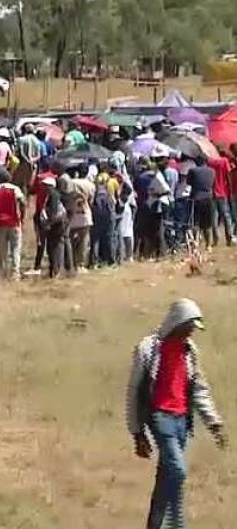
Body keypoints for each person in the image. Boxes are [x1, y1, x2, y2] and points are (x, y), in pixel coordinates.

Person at [125, 298, 227, 529]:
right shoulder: (148, 349)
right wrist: (137, 433)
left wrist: (214, 423)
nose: (191, 332)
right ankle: (178, 525)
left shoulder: (190, 351)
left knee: (167, 479)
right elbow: (133, 391)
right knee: (178, 471)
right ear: (177, 322)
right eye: (189, 326)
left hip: (182, 420)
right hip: (160, 417)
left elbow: (199, 388)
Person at [0, 170, 26, 280]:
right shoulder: (15, 189)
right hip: (14, 222)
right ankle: (15, 273)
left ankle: (3, 272)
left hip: (0, 223)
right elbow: (22, 202)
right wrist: (22, 217)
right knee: (16, 249)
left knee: (2, 250)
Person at [186, 156, 215, 251]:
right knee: (208, 223)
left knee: (195, 222)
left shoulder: (193, 171)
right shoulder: (212, 171)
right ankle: (208, 245)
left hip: (196, 198)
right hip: (209, 198)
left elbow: (188, 182)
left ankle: (196, 244)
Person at [207, 154, 234, 246]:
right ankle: (229, 237)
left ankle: (215, 239)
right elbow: (228, 175)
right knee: (226, 216)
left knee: (214, 217)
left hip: (212, 193)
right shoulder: (224, 161)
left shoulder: (209, 161)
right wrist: (230, 191)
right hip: (223, 193)